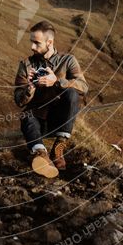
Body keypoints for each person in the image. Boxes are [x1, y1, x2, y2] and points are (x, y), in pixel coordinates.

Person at [13, 20, 89, 177]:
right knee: (27, 116)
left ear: (49, 42)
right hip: (36, 118)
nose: (32, 47)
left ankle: (58, 148)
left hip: (59, 119)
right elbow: (19, 101)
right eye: (31, 42)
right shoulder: (26, 65)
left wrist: (58, 81)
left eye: (36, 43)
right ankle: (41, 155)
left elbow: (84, 87)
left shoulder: (68, 61)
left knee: (72, 93)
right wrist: (29, 89)